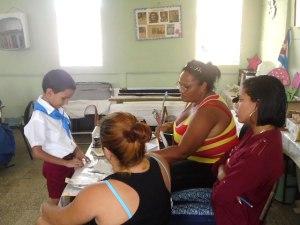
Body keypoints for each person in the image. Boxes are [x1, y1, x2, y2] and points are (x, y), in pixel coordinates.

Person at [37, 112, 171, 225]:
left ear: (106, 151)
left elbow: (60, 218)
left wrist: (45, 207)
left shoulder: (99, 193)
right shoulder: (160, 161)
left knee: (43, 221)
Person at [212, 75, 287, 225]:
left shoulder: (260, 151)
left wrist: (224, 171)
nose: (236, 104)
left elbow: (220, 195)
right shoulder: (254, 133)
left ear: (257, 105)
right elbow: (219, 163)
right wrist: (223, 174)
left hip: (234, 217)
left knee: (169, 209)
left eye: (240, 99)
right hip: (229, 205)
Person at [156, 60, 238, 191]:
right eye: (180, 85)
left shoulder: (209, 110)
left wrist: (145, 157)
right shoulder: (195, 100)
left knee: (152, 177)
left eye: (186, 87)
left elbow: (182, 152)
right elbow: (191, 124)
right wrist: (170, 126)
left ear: (203, 86)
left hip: (210, 171)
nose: (181, 90)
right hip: (194, 162)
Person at [24, 69, 87, 205]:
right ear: (49, 92)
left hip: (68, 161)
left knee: (69, 194)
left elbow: (66, 135)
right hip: (55, 167)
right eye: (64, 98)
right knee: (56, 200)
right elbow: (37, 152)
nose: (66, 102)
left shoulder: (57, 110)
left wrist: (78, 151)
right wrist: (65, 163)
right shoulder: (39, 118)